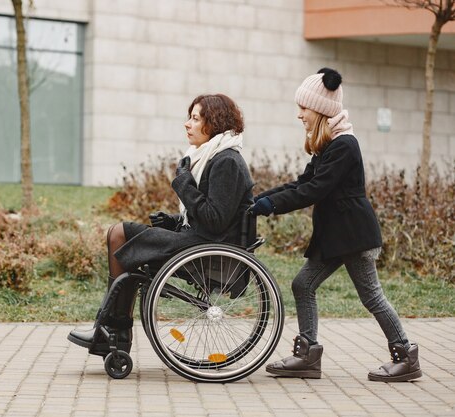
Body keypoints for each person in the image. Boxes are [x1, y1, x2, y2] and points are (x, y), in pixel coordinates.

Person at [250, 68, 422, 382]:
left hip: (353, 235)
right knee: (303, 285)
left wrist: (271, 206)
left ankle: (405, 355)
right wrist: (262, 199)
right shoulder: (328, 145)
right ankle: (308, 356)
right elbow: (302, 182)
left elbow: (314, 190)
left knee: (371, 296)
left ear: (320, 110)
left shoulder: (344, 145)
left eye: (304, 108)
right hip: (336, 235)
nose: (299, 114)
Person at [68, 94, 254, 356]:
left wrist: (183, 183)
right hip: (200, 239)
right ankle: (114, 330)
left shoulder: (226, 162)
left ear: (214, 123)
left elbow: (215, 220)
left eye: (195, 118)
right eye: (190, 117)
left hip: (210, 249)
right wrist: (173, 220)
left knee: (120, 234)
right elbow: (210, 214)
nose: (187, 124)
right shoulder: (212, 157)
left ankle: (115, 331)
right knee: (117, 233)